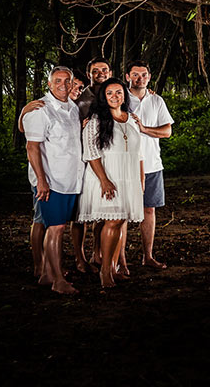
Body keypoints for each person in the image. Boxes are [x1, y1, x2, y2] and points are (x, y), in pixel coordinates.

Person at [22, 66, 86, 295]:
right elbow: (32, 146)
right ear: (49, 84)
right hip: (53, 181)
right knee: (55, 228)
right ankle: (58, 280)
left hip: (72, 180)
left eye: (67, 81)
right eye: (57, 80)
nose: (63, 84)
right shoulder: (41, 109)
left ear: (72, 84)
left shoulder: (73, 109)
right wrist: (41, 180)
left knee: (59, 228)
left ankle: (47, 275)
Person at [76, 78, 145, 288]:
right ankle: (105, 272)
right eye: (109, 93)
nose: (115, 96)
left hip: (128, 177)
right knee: (113, 221)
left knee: (121, 222)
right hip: (105, 177)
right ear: (103, 97)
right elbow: (91, 153)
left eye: (118, 92)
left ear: (124, 94)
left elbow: (138, 153)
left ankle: (114, 268)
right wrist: (105, 181)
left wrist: (140, 180)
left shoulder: (131, 119)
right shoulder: (96, 120)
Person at [125, 60, 173, 269]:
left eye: (144, 74)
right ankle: (119, 261)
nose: (140, 78)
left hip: (152, 164)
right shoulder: (119, 97)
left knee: (149, 211)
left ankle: (148, 256)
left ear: (149, 77)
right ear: (127, 77)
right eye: (135, 75)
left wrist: (144, 129)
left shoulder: (156, 100)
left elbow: (167, 131)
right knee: (122, 214)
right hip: (125, 165)